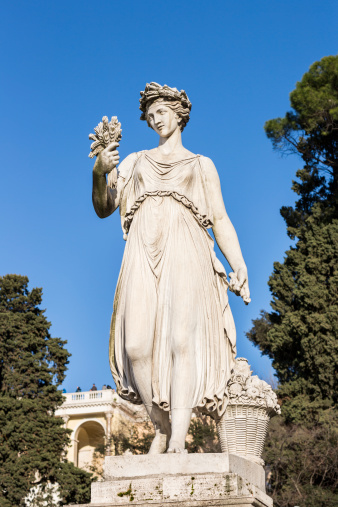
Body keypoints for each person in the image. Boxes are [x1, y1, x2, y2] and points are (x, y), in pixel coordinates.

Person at [92, 82, 250, 454]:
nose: (154, 118)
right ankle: (159, 424)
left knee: (182, 340)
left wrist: (238, 263)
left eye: (161, 111)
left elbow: (221, 218)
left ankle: (178, 435)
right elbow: (104, 206)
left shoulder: (201, 164)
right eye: (149, 115)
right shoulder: (134, 161)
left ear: (179, 114)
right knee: (135, 345)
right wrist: (100, 172)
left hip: (186, 244)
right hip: (142, 245)